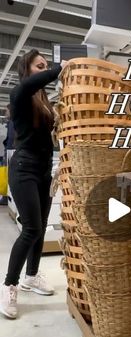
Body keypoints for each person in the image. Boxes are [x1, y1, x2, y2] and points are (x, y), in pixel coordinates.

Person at [0, 49, 67, 319]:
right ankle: (9, 285)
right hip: (24, 168)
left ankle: (31, 276)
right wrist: (61, 68)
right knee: (30, 228)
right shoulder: (20, 94)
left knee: (39, 229)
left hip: (42, 170)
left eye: (46, 65)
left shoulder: (43, 102)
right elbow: (30, 84)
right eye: (40, 65)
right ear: (26, 69)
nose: (45, 68)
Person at [0, 104, 16, 206]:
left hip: (11, 152)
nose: (5, 113)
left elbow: (12, 139)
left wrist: (9, 151)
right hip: (9, 151)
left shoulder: (13, 123)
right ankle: (5, 196)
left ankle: (7, 197)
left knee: (8, 175)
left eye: (7, 111)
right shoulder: (11, 122)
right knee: (5, 174)